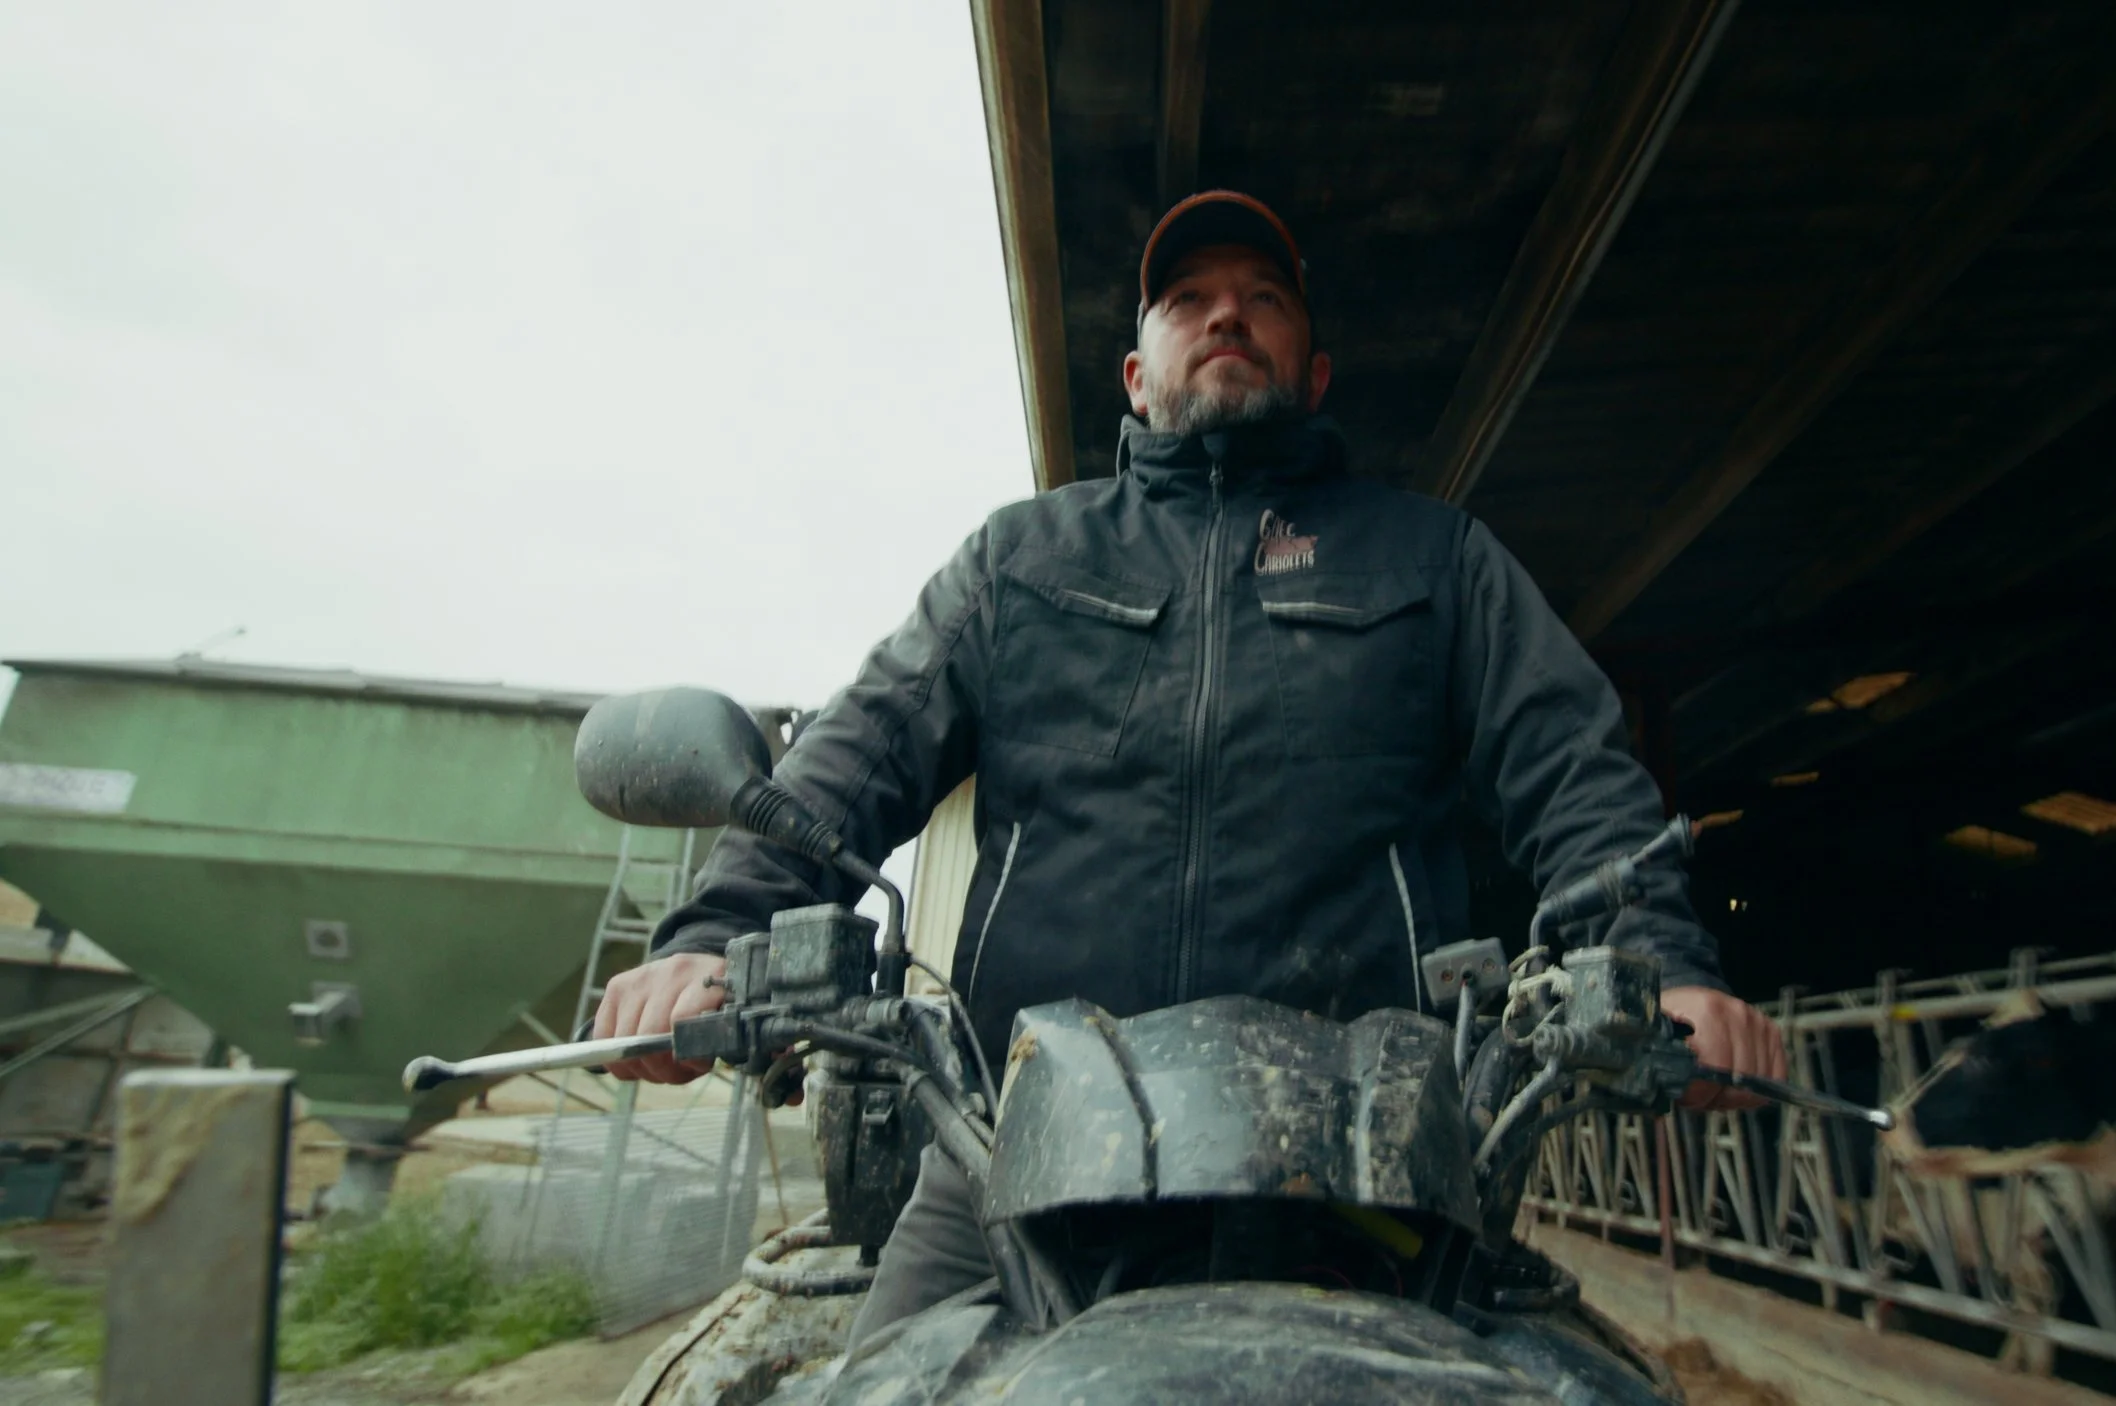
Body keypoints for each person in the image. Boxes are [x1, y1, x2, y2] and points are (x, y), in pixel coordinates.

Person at [593, 190, 1786, 1344]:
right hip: (1020, 1151)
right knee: (890, 1377)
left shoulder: (1434, 560)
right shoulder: (1022, 560)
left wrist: (1665, 966)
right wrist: (712, 937)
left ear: (1312, 372)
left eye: (1263, 297)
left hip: (1366, 1171)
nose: (1227, 314)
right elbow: (847, 762)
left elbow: (1575, 770)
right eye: (1189, 299)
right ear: (1136, 373)